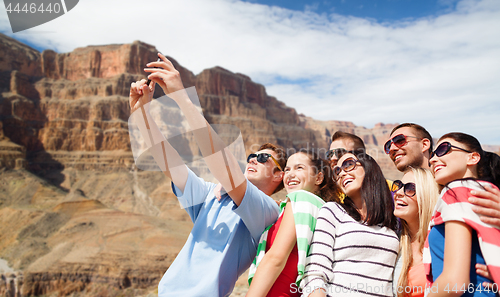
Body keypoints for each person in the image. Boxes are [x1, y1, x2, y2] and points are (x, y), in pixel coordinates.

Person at [128, 53, 287, 297]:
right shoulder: (212, 195)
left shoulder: (267, 212)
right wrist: (141, 113)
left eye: (264, 158)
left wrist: (182, 98)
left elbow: (223, 166)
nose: (254, 159)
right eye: (251, 156)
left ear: (279, 175)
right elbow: (171, 163)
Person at [301, 149, 399, 297]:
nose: (341, 173)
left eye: (348, 165)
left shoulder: (393, 224)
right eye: (337, 171)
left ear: (369, 168)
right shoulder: (333, 211)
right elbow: (315, 272)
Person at [246, 150, 336, 297]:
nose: (290, 174)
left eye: (299, 168)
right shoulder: (323, 209)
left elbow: (275, 258)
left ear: (319, 178)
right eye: (287, 169)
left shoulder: (299, 198)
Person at [424, 132, 500, 296]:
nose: (432, 159)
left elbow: (454, 283)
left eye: (443, 149)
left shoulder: (456, 191)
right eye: (432, 155)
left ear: (472, 158)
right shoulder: (487, 193)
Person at [385, 123, 500, 229]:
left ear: (425, 144)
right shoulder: (393, 198)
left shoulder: (467, 190)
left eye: (400, 140)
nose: (392, 149)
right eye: (388, 146)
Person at [392, 168, 440, 297]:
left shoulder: (443, 242)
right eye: (399, 186)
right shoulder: (395, 243)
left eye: (410, 188)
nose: (398, 193)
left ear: (427, 195)